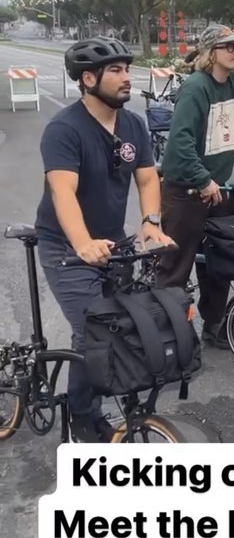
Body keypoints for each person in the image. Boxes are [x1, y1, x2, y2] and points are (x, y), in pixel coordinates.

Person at [35, 37, 174, 443]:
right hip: (65, 247)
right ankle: (83, 415)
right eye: (116, 71)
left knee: (125, 323)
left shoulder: (132, 124)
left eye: (127, 69)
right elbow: (62, 192)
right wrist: (81, 243)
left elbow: (147, 177)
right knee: (93, 330)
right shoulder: (64, 130)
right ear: (89, 78)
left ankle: (117, 398)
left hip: (113, 242)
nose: (127, 78)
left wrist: (150, 222)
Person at [158, 24, 234, 348]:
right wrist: (203, 179)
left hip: (218, 189)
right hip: (186, 191)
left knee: (220, 259)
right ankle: (170, 336)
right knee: (176, 267)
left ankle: (214, 324)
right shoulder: (196, 88)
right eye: (228, 47)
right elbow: (180, 143)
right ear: (210, 54)